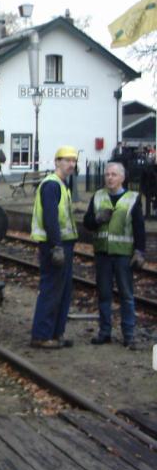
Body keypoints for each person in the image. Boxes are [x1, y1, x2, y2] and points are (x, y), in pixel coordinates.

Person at [83, 161, 145, 350]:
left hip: (123, 255)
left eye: (113, 175)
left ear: (122, 178)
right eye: (107, 174)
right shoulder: (98, 197)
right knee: (104, 294)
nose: (109, 178)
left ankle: (129, 334)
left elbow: (139, 228)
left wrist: (139, 251)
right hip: (102, 253)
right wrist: (97, 219)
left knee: (126, 295)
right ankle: (105, 332)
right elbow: (87, 223)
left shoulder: (133, 199)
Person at [29, 146, 79, 349]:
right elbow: (50, 218)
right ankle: (41, 335)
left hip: (63, 244)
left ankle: (56, 333)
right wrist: (56, 246)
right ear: (57, 162)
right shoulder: (52, 185)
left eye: (73, 161)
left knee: (63, 290)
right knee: (51, 289)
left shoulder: (62, 184)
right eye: (66, 160)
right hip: (54, 245)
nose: (70, 164)